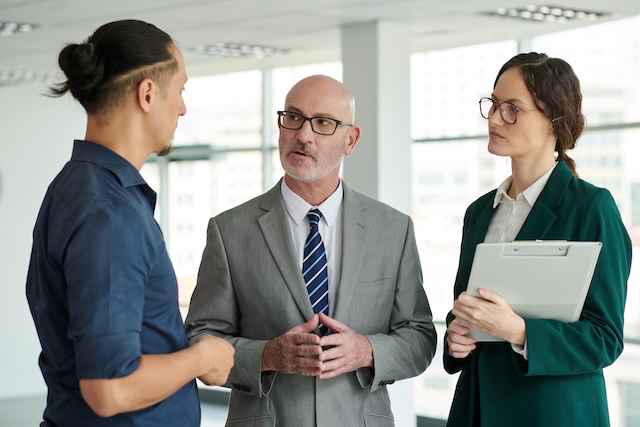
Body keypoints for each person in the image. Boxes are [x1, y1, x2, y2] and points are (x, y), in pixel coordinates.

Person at [185, 74, 437, 426]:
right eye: (293, 117)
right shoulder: (229, 230)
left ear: (351, 139)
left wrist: (367, 351)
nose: (303, 135)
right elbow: (200, 340)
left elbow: (420, 337)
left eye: (323, 123)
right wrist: (267, 355)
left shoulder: (392, 229)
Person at [26, 20, 234, 427]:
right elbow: (109, 389)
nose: (183, 108)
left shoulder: (80, 186)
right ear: (148, 93)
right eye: (181, 90)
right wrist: (202, 357)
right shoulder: (108, 211)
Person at [443, 52, 632, 426]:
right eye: (494, 105)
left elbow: (605, 337)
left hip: (551, 412)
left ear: (553, 120)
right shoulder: (480, 212)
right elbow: (466, 306)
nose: (496, 118)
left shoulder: (592, 207)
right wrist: (456, 337)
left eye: (513, 108)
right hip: (476, 409)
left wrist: (519, 331)